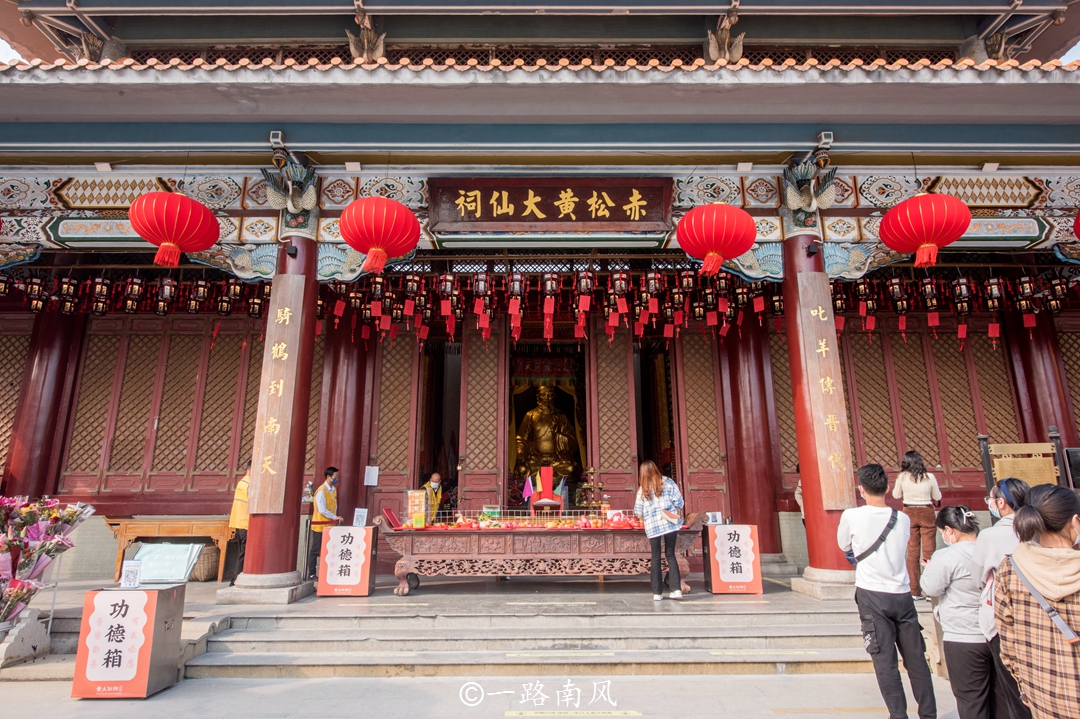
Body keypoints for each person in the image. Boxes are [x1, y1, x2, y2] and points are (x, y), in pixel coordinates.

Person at [839, 463, 936, 719]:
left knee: (885, 662)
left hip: (872, 594)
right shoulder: (901, 518)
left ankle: (898, 715)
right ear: (888, 488)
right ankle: (928, 714)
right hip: (902, 595)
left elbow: (843, 544)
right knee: (916, 659)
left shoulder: (851, 516)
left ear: (861, 489)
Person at [995, 484, 1080, 719]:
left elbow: (1008, 649)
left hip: (1043, 699)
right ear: (1075, 522)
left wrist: (1028, 689)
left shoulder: (1009, 569)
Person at [971, 477, 1032, 719]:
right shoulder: (1041, 528)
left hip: (1005, 619)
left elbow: (978, 578)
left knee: (1013, 690)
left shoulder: (990, 536)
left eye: (991, 499)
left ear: (1001, 503)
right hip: (1040, 616)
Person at [921, 506, 989, 719]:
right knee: (999, 698)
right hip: (993, 633)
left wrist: (931, 568)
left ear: (950, 531)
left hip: (963, 636)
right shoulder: (989, 550)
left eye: (943, 533)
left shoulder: (947, 556)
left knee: (971, 701)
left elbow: (930, 587)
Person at [891, 450, 942, 599]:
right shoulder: (929, 477)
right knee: (929, 552)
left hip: (909, 512)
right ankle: (930, 591)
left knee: (912, 553)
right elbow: (937, 496)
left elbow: (896, 495)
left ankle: (914, 591)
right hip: (926, 511)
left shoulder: (902, 477)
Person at [633, 459, 684, 601]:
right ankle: (676, 590)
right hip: (669, 522)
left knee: (656, 557)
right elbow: (679, 502)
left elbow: (638, 511)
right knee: (671, 555)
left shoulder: (643, 489)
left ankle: (657, 593)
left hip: (653, 526)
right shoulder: (668, 482)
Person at [307, 466, 342, 580]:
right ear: (328, 477)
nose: (337, 479)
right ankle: (311, 573)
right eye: (335, 477)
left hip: (330, 525)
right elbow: (322, 509)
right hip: (320, 525)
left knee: (329, 549)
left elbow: (334, 505)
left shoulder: (333, 489)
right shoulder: (321, 491)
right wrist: (335, 517)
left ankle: (327, 572)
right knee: (315, 549)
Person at [227, 462, 250, 586]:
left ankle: (235, 579)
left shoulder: (242, 482)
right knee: (244, 553)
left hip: (239, 521)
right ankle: (236, 579)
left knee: (242, 552)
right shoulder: (249, 484)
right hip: (246, 522)